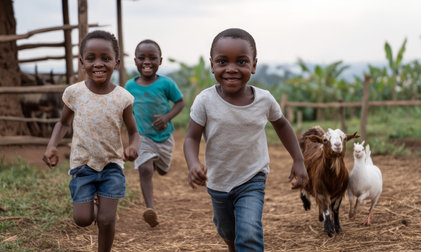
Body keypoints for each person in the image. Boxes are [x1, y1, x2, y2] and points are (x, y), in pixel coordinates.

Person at [183, 28, 309, 252]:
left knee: (249, 233)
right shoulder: (205, 101)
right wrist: (193, 164)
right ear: (212, 65)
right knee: (228, 232)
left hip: (253, 177)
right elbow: (191, 138)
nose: (231, 69)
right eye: (222, 62)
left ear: (253, 65)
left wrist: (298, 160)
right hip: (218, 180)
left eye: (241, 62)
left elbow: (282, 125)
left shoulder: (264, 100)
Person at [42, 30, 140, 252]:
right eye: (91, 58)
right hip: (82, 166)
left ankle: (106, 224)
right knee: (82, 219)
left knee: (106, 220)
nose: (99, 64)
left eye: (106, 58)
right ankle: (98, 207)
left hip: (112, 166)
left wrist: (133, 146)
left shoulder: (122, 97)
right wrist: (52, 146)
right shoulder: (74, 93)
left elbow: (134, 132)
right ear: (81, 62)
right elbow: (63, 123)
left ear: (116, 62)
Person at [125, 39, 184, 227]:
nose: (147, 62)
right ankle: (151, 209)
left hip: (164, 137)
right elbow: (126, 110)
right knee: (145, 168)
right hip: (143, 136)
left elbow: (180, 103)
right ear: (135, 61)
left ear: (160, 60)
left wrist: (167, 117)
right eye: (142, 58)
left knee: (163, 170)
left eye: (152, 58)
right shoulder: (129, 87)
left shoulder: (166, 83)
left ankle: (158, 163)